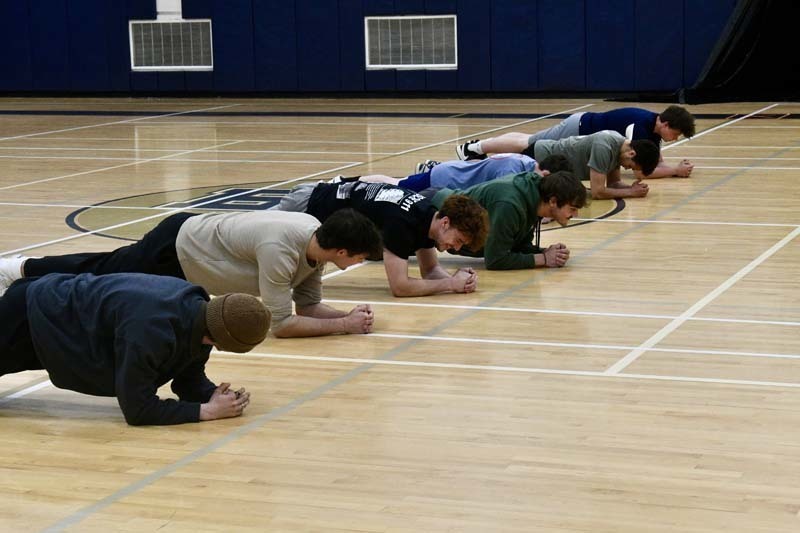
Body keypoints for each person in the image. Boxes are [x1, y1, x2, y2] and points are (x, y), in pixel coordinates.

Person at [0, 209, 383, 338]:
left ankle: (24, 273)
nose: (360, 262)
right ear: (342, 252)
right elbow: (282, 326)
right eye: (361, 257)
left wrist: (345, 317)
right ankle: (18, 270)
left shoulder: (315, 245)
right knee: (99, 273)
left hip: (188, 253)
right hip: (175, 248)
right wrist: (344, 326)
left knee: (100, 272)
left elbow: (309, 308)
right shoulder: (281, 249)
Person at [0, 272, 270, 426]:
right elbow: (137, 409)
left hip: (58, 323)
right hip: (29, 315)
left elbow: (187, 378)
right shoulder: (151, 330)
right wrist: (207, 412)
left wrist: (214, 396)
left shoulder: (201, 316)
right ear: (217, 340)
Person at [271, 181, 489, 297]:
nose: (455, 248)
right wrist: (451, 283)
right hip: (305, 206)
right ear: (445, 223)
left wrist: (458, 281)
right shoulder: (402, 223)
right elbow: (400, 288)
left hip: (313, 200)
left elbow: (430, 271)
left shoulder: (427, 216)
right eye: (458, 240)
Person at [457, 105, 696, 178]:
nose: (675, 139)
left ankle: (477, 146)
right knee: (527, 143)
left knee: (526, 140)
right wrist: (675, 171)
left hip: (582, 129)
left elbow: (654, 162)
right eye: (676, 134)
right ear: (665, 125)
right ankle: (473, 148)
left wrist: (672, 168)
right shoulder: (640, 128)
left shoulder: (652, 129)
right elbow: (642, 172)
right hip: (578, 129)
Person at [430, 170, 588, 270]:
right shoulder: (510, 205)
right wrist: (544, 259)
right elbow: (495, 260)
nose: (575, 215)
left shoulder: (534, 198)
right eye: (572, 208)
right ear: (553, 201)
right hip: (432, 210)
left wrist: (546, 253)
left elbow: (515, 247)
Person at [474, 131, 658, 200]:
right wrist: (630, 193)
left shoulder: (619, 151)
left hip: (549, 161)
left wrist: (630, 188)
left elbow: (613, 184)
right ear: (632, 153)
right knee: (491, 175)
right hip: (539, 158)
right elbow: (597, 191)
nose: (627, 169)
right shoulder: (605, 146)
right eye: (631, 166)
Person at [353, 153, 573, 193]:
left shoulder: (526, 164)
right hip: (446, 178)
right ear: (544, 174)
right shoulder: (513, 169)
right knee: (395, 186)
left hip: (456, 175)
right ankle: (351, 182)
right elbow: (495, 193)